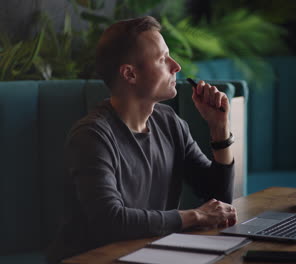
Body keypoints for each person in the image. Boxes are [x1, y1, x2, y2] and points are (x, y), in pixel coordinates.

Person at [47, 16, 237, 263]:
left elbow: (218, 201)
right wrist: (195, 216)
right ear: (130, 74)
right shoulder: (91, 136)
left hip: (147, 255)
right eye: (162, 59)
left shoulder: (169, 122)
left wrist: (219, 128)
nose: (176, 66)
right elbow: (110, 220)